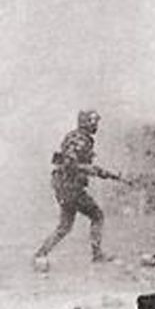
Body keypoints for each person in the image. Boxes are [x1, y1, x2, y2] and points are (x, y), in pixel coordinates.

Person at [33, 110, 119, 269]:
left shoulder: (75, 137)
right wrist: (95, 171)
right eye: (93, 122)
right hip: (70, 187)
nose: (96, 125)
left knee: (65, 226)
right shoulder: (80, 140)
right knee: (97, 215)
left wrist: (102, 173)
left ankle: (41, 253)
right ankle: (97, 254)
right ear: (86, 123)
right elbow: (70, 163)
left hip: (64, 186)